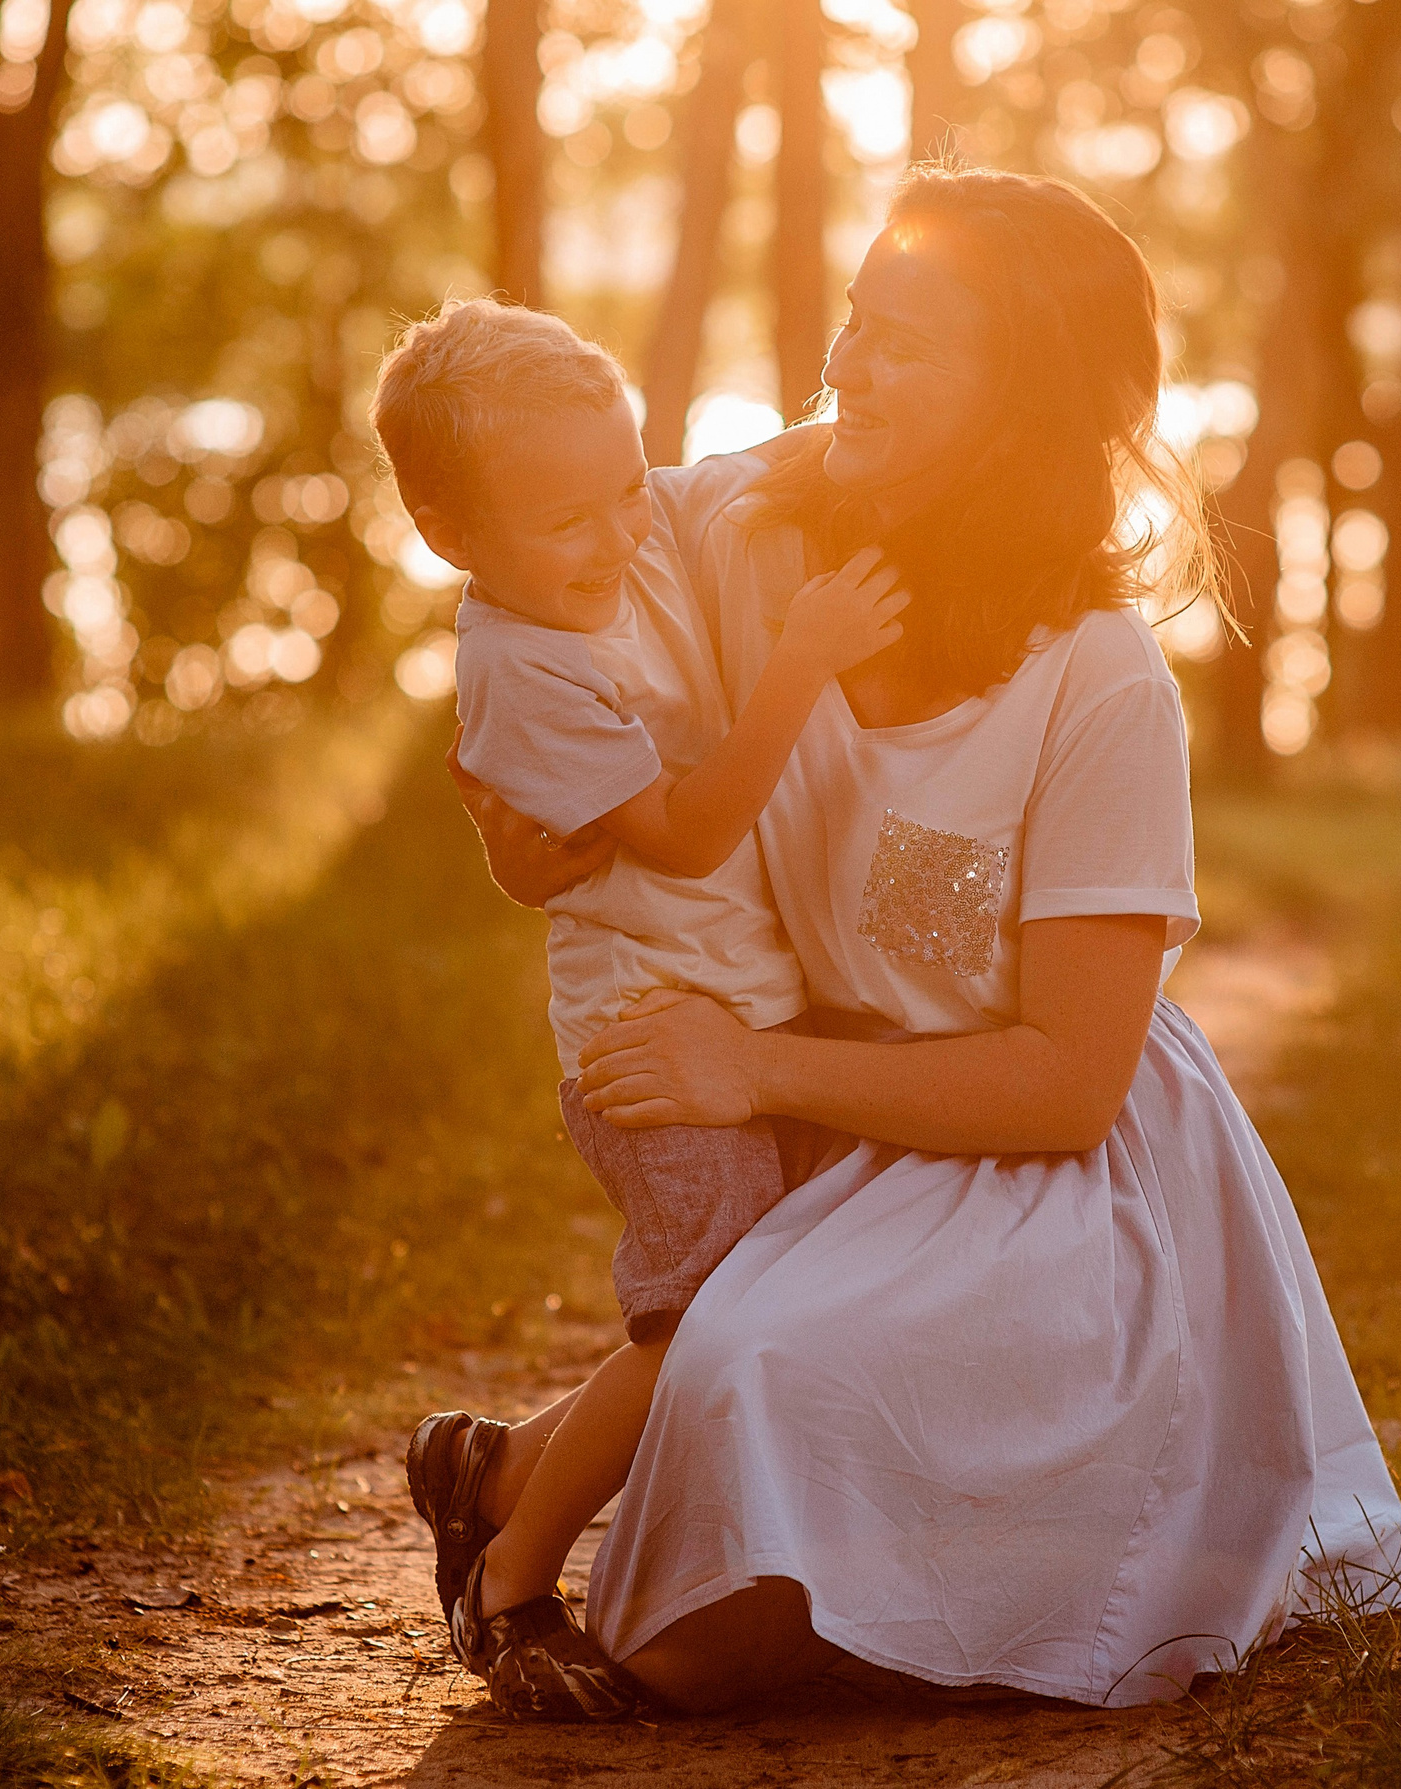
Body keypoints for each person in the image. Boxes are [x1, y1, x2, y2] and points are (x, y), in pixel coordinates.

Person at [454, 164, 1401, 1716]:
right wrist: (525, 825)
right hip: (842, 1149)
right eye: (854, 318)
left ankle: (519, 1479)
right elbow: (539, 591)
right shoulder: (746, 530)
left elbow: (1068, 1088)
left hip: (1055, 1186)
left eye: (906, 342)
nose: (848, 363)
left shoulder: (1101, 680)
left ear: (1021, 398)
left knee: (744, 1450)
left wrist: (750, 1061)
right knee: (727, 1472)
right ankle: (520, 1484)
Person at [369, 299, 905, 1718]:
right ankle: (508, 1579)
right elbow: (683, 835)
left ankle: (490, 1462)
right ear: (453, 534)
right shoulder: (522, 662)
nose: (623, 535)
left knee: (773, 1293)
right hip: (649, 1043)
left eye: (629, 485)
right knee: (702, 1317)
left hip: (747, 1017)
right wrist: (802, 658)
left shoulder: (632, 518)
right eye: (572, 520)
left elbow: (753, 467)